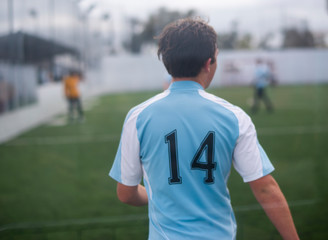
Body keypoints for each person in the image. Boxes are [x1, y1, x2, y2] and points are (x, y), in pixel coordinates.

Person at [109, 18, 299, 240]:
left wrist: (157, 195)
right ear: (209, 63)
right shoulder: (234, 117)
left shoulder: (138, 116)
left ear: (167, 64)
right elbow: (265, 188)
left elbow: (126, 193)